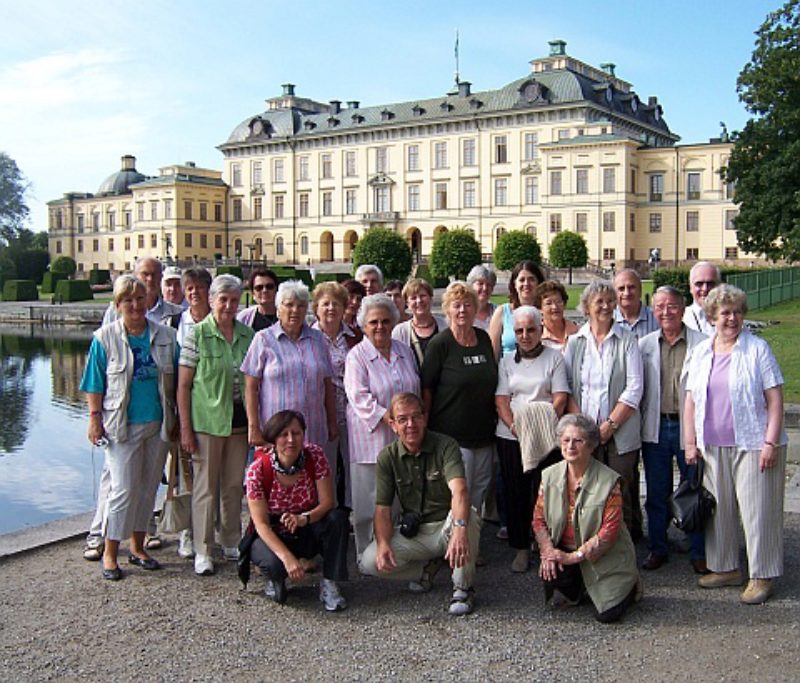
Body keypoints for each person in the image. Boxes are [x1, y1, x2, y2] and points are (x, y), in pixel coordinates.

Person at [684, 284, 787, 604]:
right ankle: (726, 567)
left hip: (754, 442)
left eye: (737, 312)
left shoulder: (757, 349)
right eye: (724, 312)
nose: (731, 318)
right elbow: (690, 400)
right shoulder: (700, 352)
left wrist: (770, 441)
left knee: (758, 512)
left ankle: (762, 575)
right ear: (712, 317)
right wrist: (690, 442)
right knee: (720, 512)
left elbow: (775, 400)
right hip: (712, 445)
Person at [79, 274, 178, 580]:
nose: (135, 305)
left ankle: (137, 547)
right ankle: (110, 553)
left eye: (140, 298)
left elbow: (177, 382)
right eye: (128, 300)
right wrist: (94, 418)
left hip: (158, 423)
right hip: (121, 426)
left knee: (148, 488)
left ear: (148, 301)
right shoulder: (104, 338)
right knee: (122, 490)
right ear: (118, 304)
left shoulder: (165, 336)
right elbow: (94, 383)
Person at [360, 393, 481, 616]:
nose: (410, 425)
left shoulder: (446, 445)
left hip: (447, 526)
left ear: (425, 418)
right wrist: (383, 543)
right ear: (393, 425)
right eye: (403, 419)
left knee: (469, 517)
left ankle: (463, 588)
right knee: (369, 561)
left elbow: (460, 490)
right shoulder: (387, 457)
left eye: (415, 417)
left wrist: (459, 528)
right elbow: (382, 509)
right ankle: (426, 571)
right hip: (416, 533)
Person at [178, 274, 255, 576]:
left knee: (234, 485)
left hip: (239, 422)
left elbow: (253, 382)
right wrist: (185, 428)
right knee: (205, 488)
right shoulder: (196, 335)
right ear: (211, 301)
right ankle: (203, 548)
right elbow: (183, 386)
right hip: (207, 423)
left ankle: (231, 540)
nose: (228, 305)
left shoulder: (247, 335)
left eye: (234, 300)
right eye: (223, 299)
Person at [534, 414, 641, 623]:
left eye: (578, 441)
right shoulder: (548, 476)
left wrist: (572, 557)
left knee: (607, 615)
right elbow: (538, 519)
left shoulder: (610, 481)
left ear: (591, 446)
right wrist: (548, 551)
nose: (570, 446)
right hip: (565, 549)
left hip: (605, 555)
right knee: (553, 572)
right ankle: (579, 587)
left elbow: (608, 533)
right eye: (566, 440)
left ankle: (631, 585)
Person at [564, 280, 644, 540]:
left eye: (611, 301)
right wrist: (586, 429)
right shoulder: (575, 342)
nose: (607, 306)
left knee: (622, 487)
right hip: (586, 434)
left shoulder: (627, 340)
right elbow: (568, 387)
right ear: (586, 307)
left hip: (620, 431)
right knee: (589, 489)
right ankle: (593, 542)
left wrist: (609, 426)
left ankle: (626, 545)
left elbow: (634, 388)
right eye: (600, 301)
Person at [245, 410, 349, 610]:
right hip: (273, 533)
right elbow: (261, 524)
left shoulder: (315, 456)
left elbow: (328, 502)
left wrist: (304, 518)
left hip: (305, 526)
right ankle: (276, 577)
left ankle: (330, 582)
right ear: (274, 439)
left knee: (338, 518)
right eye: (284, 435)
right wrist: (287, 559)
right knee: (275, 566)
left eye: (297, 433)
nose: (291, 440)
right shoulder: (257, 470)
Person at [344, 293, 420, 559]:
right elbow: (358, 396)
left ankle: (395, 547)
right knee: (369, 500)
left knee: (398, 496)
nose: (380, 327)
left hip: (403, 437)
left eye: (386, 321)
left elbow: (415, 389)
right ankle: (366, 553)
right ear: (364, 324)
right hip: (371, 438)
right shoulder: (357, 356)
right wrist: (390, 418)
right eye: (374, 321)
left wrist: (408, 422)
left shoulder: (403, 350)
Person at [495, 306, 569, 572]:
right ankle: (521, 548)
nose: (525, 335)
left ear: (540, 329)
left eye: (530, 329)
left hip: (547, 436)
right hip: (511, 436)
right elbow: (502, 400)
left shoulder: (555, 358)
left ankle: (545, 544)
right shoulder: (506, 362)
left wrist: (539, 426)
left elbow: (560, 397)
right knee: (515, 493)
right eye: (519, 330)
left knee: (545, 492)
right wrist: (517, 428)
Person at [639, 286, 707, 573]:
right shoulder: (644, 345)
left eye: (672, 306)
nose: (666, 312)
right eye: (660, 307)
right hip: (656, 427)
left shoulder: (702, 344)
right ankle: (658, 547)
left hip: (688, 427)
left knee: (694, 490)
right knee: (656, 492)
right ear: (653, 311)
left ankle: (698, 551)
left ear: (683, 308)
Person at [422, 282, 498, 516]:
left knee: (478, 492)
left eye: (468, 305)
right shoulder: (440, 344)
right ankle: (454, 548)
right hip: (452, 437)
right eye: (457, 306)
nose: (463, 310)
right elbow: (426, 388)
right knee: (457, 493)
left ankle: (471, 546)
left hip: (484, 434)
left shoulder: (484, 339)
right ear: (448, 311)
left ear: (476, 309)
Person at [241, 280, 337, 451]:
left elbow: (327, 385)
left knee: (314, 475)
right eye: (289, 305)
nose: (295, 310)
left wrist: (331, 421)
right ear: (278, 309)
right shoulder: (263, 339)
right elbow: (250, 386)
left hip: (314, 429)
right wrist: (253, 427)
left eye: (301, 305)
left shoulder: (318, 339)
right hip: (276, 432)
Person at [311, 281, 358, 507]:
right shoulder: (308, 337)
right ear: (316, 308)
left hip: (351, 412)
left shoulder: (354, 336)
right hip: (319, 413)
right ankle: (327, 512)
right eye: (325, 304)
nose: (331, 308)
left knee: (354, 467)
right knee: (324, 467)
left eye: (336, 304)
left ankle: (352, 511)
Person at [489, 259, 545, 359]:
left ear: (538, 283)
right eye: (522, 280)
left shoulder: (545, 313)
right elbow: (492, 354)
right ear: (514, 284)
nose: (526, 284)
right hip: (509, 372)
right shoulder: (502, 312)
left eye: (531, 279)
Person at [391, 278, 446, 370]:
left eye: (423, 296)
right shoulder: (399, 332)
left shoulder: (445, 325)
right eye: (413, 298)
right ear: (407, 303)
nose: (419, 301)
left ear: (431, 298)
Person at [534, 280, 579, 352]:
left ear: (564, 305)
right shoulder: (536, 337)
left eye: (559, 301)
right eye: (548, 303)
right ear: (540, 308)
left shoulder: (578, 332)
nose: (555, 307)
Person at [613, 269, 658, 339]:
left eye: (631, 287)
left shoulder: (657, 318)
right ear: (614, 293)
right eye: (621, 288)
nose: (627, 293)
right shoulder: (607, 320)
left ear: (640, 290)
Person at [683, 261, 721, 336]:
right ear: (690, 288)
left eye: (710, 284)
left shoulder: (731, 318)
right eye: (699, 284)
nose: (705, 289)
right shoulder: (682, 318)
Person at [237, 267, 279, 332]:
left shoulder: (286, 315)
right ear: (252, 293)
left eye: (269, 287)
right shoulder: (243, 318)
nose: (265, 290)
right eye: (259, 288)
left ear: (276, 290)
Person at [466, 264, 497, 331]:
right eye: (480, 283)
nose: (485, 288)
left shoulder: (498, 312)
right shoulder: (463, 312)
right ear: (471, 286)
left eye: (488, 285)